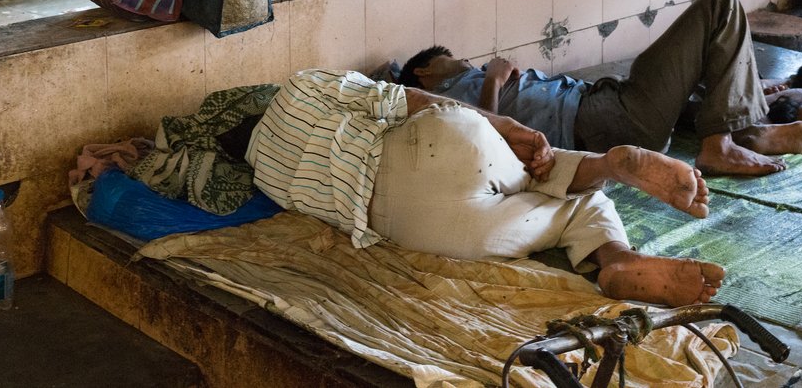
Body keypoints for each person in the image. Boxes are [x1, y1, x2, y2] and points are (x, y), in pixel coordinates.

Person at [247, 68, 725, 306]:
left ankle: (617, 251)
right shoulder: (299, 85)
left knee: (554, 216)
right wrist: (501, 122)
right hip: (436, 144)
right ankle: (608, 184)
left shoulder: (262, 172)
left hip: (415, 225)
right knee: (553, 179)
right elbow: (399, 98)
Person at [400, 0, 802, 177]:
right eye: (451, 58)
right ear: (425, 70)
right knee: (720, 6)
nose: (464, 62)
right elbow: (484, 142)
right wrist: (492, 80)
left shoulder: (464, 82)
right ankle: (722, 143)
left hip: (604, 101)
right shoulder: (437, 99)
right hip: (601, 120)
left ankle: (743, 127)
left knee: (700, 63)